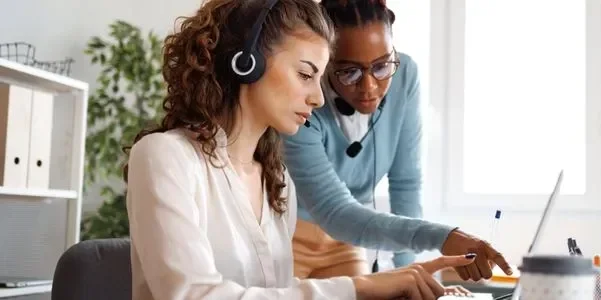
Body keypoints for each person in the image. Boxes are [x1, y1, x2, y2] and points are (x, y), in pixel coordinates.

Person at [123, 0, 478, 299]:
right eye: (306, 75)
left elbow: (275, 291)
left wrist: (401, 282)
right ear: (248, 63)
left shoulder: (275, 179)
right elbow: (194, 295)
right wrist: (359, 287)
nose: (319, 98)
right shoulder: (164, 157)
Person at [282, 0, 513, 281]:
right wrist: (442, 237)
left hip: (347, 240)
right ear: (325, 62)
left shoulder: (405, 76)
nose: (369, 87)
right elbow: (333, 209)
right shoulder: (302, 96)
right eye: (349, 71)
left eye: (381, 67)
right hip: (290, 233)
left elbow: (406, 182)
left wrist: (414, 272)